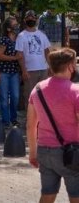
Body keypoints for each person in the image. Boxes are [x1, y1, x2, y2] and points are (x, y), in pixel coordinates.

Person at [27, 48, 79, 203]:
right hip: (71, 153)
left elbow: (30, 125)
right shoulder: (75, 91)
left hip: (44, 150)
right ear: (70, 66)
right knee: (76, 196)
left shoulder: (37, 89)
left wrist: (33, 154)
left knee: (48, 194)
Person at [17, 10, 51, 110]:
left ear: (36, 19)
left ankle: (42, 119)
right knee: (30, 95)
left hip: (43, 69)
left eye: (33, 18)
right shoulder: (21, 36)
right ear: (25, 20)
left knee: (44, 94)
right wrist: (23, 70)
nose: (31, 19)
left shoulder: (42, 34)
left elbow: (47, 52)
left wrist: (50, 67)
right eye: (28, 18)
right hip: (29, 71)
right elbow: (20, 54)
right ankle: (30, 120)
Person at [0, 17, 22, 127]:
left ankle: (13, 118)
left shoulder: (19, 39)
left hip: (15, 72)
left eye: (17, 24)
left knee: (15, 96)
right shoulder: (4, 39)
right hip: (3, 72)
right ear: (8, 28)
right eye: (14, 25)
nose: (17, 27)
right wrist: (14, 58)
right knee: (4, 97)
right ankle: (6, 120)